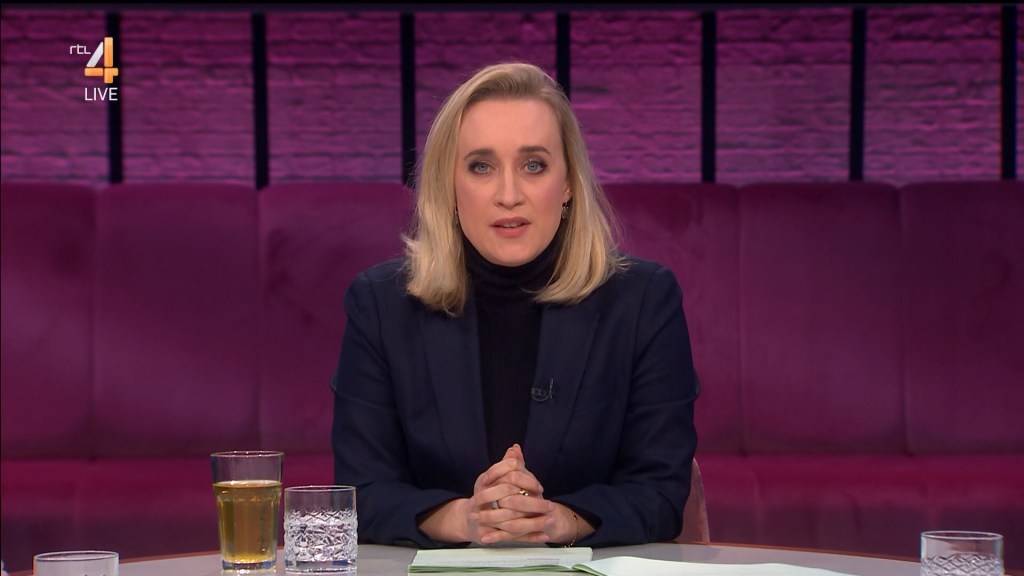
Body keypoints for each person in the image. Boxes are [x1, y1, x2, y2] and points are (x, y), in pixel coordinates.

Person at [331, 61, 699, 548]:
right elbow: (360, 492)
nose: (509, 195)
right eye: (481, 167)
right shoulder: (381, 305)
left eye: (534, 165)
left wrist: (558, 521)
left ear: (567, 184)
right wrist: (464, 519)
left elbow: (660, 492)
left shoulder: (644, 301)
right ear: (449, 185)